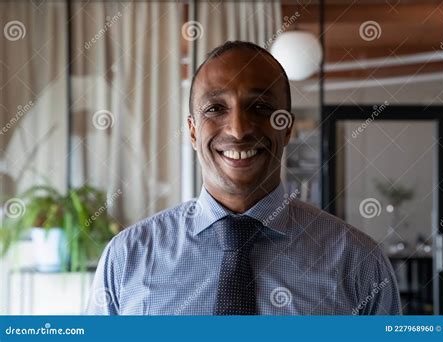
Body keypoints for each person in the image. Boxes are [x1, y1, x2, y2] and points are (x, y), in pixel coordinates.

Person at [86, 41, 402, 315]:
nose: (238, 130)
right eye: (215, 108)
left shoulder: (358, 262)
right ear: (193, 131)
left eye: (261, 107)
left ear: (287, 126)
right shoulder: (128, 257)